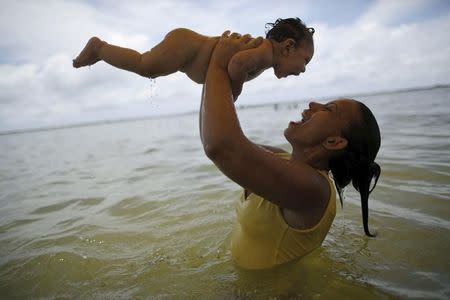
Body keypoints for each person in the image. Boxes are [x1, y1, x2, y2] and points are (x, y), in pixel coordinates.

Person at [200, 32, 381, 269]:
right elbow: (218, 134)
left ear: (334, 142)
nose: (312, 105)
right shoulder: (279, 157)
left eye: (327, 109)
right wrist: (229, 76)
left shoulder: (314, 190)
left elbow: (222, 146)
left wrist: (217, 65)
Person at [73, 18, 314, 100]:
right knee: (144, 65)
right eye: (305, 61)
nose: (303, 70)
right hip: (186, 47)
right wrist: (235, 91)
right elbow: (237, 65)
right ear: (288, 47)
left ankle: (100, 51)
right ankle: (99, 47)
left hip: (187, 48)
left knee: (146, 65)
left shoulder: (264, 55)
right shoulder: (264, 53)